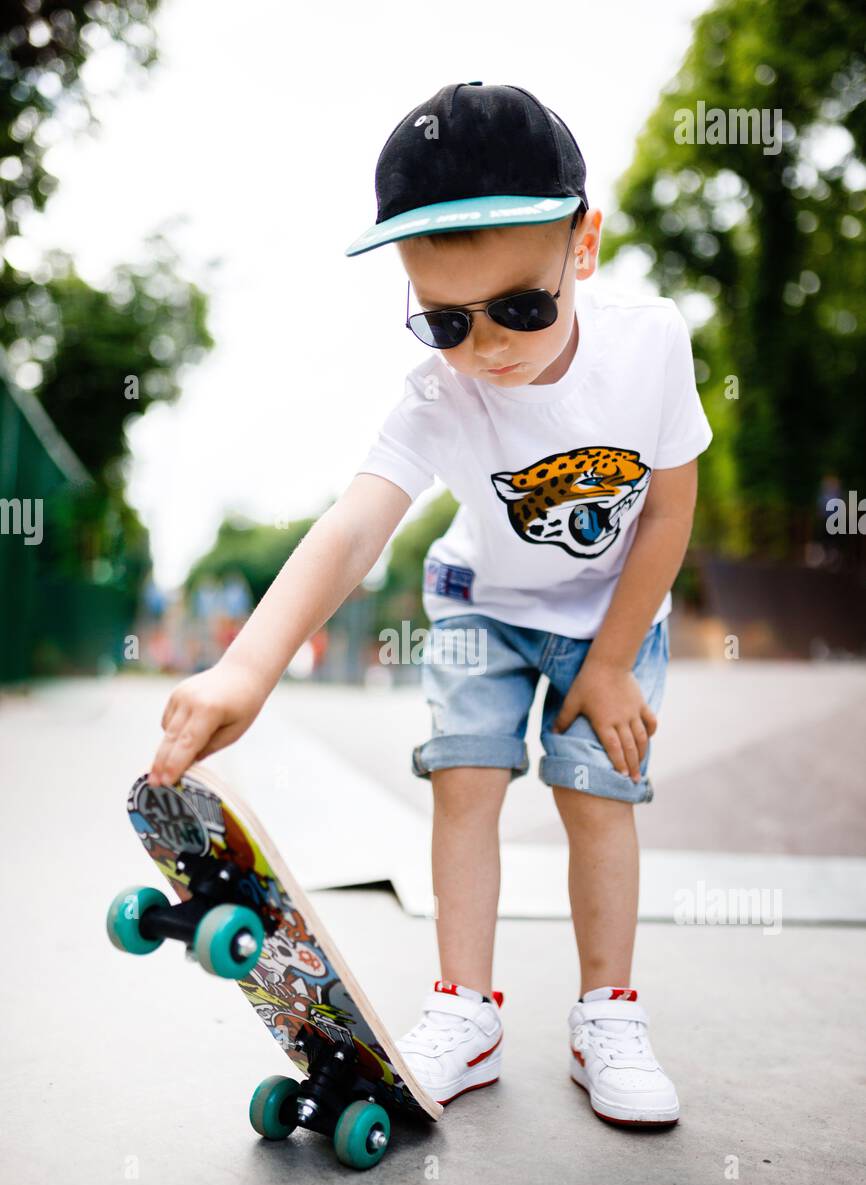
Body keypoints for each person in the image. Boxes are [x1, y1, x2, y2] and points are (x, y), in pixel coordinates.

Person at [149, 82, 712, 1126]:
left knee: (597, 797)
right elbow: (354, 526)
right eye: (443, 318)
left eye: (521, 308)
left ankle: (607, 1014)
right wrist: (247, 666)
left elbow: (669, 509)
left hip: (611, 611)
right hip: (477, 604)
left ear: (581, 245)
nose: (486, 347)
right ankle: (465, 1007)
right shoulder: (438, 394)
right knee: (464, 783)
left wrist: (608, 661)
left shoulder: (649, 344)